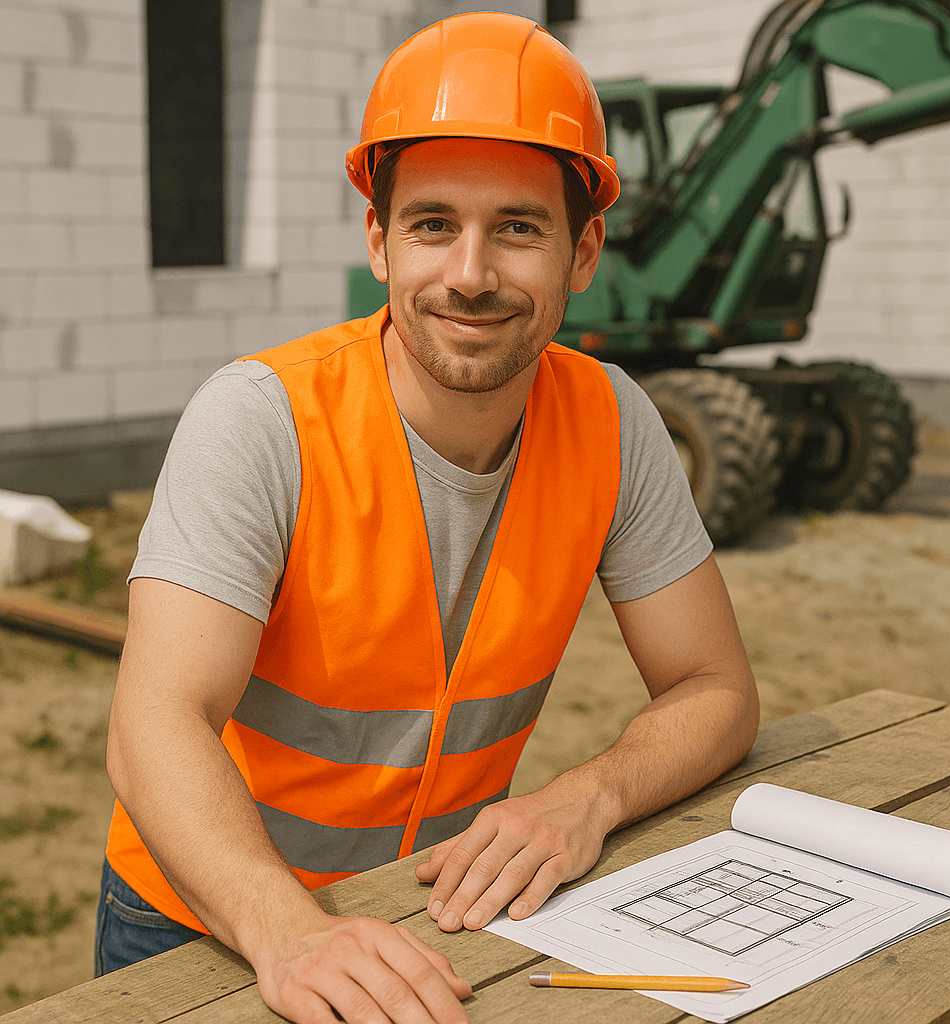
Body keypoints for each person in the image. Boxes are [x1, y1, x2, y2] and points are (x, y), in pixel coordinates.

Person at [98, 11, 759, 1024]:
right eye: (433, 222)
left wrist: (586, 794)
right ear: (379, 238)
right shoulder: (262, 417)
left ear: (584, 252)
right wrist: (286, 931)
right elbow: (153, 725)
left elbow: (714, 686)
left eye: (519, 228)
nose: (470, 273)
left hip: (422, 914)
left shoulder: (614, 424)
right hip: (206, 919)